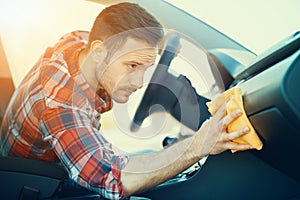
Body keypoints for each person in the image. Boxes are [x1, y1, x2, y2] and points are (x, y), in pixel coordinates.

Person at [0, 2, 253, 199]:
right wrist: (197, 145)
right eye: (131, 65)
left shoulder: (79, 45)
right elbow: (114, 180)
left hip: (57, 167)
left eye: (145, 67)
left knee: (151, 155)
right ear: (99, 52)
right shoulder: (61, 103)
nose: (139, 82)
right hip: (37, 185)